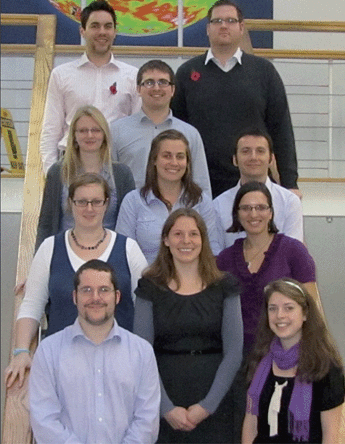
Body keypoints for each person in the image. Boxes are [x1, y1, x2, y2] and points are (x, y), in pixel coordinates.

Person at [4, 173, 147, 389]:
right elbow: (32, 305)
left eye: (96, 202)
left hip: (119, 367)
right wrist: (21, 351)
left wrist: (142, 353)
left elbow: (145, 307)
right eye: (81, 202)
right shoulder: (50, 249)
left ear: (106, 204)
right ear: (70, 203)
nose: (89, 209)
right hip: (63, 368)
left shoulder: (129, 249)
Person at [134, 208, 243, 443]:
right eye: (177, 234)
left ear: (203, 240)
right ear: (165, 240)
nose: (186, 241)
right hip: (163, 396)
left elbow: (234, 352)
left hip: (216, 399)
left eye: (193, 234)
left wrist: (207, 406)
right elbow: (141, 353)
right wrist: (165, 408)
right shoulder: (149, 287)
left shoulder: (226, 286)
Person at [171, 0, 299, 198]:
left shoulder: (264, 72)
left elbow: (281, 129)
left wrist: (290, 183)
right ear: (207, 29)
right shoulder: (187, 73)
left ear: (241, 28)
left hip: (254, 182)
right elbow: (177, 131)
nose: (223, 25)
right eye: (217, 21)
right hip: (201, 185)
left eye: (230, 20)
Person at [29, 259, 160, 444]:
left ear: (117, 297)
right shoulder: (48, 351)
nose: (95, 298)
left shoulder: (142, 352)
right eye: (87, 290)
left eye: (104, 290)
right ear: (75, 297)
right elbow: (44, 420)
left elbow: (147, 420)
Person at [40, 0, 141, 173]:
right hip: (72, 164)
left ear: (115, 32)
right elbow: (51, 131)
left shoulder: (133, 76)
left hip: (116, 164)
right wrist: (52, 175)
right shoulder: (61, 75)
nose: (102, 32)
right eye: (95, 26)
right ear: (82, 31)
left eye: (108, 26)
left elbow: (137, 131)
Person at [217, 181, 316, 355]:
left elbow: (312, 306)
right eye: (246, 208)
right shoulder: (224, 259)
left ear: (271, 213)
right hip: (237, 358)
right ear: (237, 214)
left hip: (285, 353)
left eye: (261, 207)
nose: (253, 214)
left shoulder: (294, 252)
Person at [242, 279, 345, 444]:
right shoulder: (259, 361)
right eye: (272, 309)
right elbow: (251, 424)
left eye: (289, 308)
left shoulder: (326, 367)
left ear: (305, 314)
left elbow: (330, 436)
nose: (280, 315)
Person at [36, 105, 135, 250]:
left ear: (104, 135)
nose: (90, 135)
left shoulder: (122, 174)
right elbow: (46, 223)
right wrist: (40, 258)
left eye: (95, 130)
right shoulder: (57, 172)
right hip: (64, 253)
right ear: (74, 136)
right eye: (83, 131)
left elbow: (129, 224)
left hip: (109, 257)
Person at [116, 129, 221, 264]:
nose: (174, 162)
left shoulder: (202, 201)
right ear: (154, 160)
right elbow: (124, 253)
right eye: (167, 156)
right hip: (146, 281)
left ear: (188, 163)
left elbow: (212, 251)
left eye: (180, 156)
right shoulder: (133, 201)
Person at [110, 59, 211, 195]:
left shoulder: (190, 134)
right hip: (131, 213)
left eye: (163, 82)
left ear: (173, 90)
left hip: (177, 213)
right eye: (149, 82)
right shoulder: (117, 131)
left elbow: (201, 185)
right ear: (138, 89)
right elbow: (109, 183)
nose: (156, 88)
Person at [214, 127, 303, 249]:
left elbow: (294, 254)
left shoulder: (290, 202)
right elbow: (215, 256)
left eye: (260, 151)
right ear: (235, 159)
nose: (253, 157)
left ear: (271, 159)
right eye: (246, 151)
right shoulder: (218, 205)